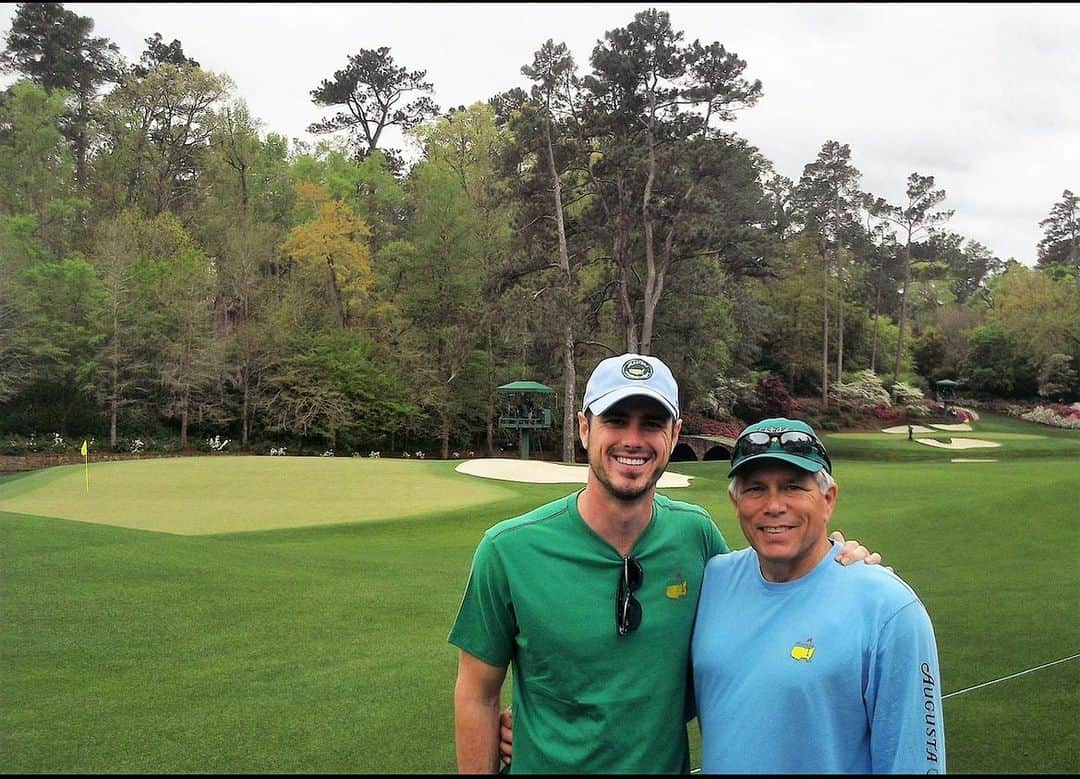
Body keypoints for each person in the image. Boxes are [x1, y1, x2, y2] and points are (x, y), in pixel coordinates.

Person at [449, 353, 880, 774]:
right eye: (616, 421)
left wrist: (837, 565)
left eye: (651, 424)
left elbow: (769, 600)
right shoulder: (508, 549)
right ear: (584, 428)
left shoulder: (696, 536)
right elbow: (477, 694)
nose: (633, 440)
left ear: (674, 435)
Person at [693, 417, 945, 773]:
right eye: (755, 489)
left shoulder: (889, 609)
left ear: (828, 499)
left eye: (793, 487)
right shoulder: (713, 580)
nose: (774, 505)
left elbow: (914, 762)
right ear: (735, 502)